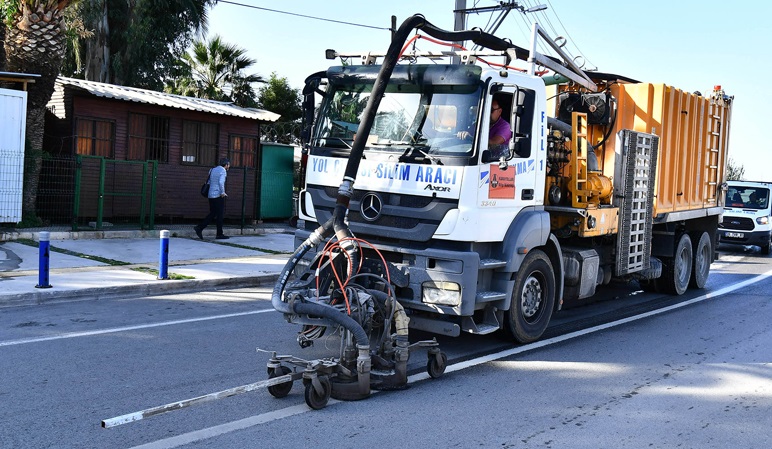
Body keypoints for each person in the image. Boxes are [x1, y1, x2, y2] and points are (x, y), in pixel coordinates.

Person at [194, 158, 230, 240]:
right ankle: (219, 234)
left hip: (210, 194)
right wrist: (222, 192)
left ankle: (200, 228)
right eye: (228, 165)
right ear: (226, 165)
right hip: (218, 195)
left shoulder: (212, 169)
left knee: (213, 213)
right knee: (219, 215)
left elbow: (209, 182)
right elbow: (221, 182)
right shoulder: (223, 171)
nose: (229, 166)